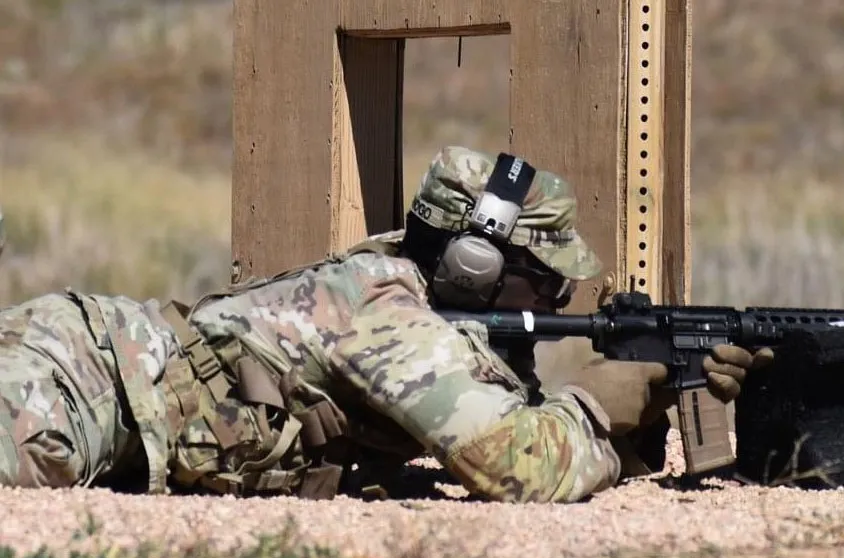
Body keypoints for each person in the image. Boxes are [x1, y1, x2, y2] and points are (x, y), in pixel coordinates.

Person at [0, 146, 771, 503]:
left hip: (103, 390)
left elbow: (529, 437)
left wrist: (648, 406)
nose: (557, 295)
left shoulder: (419, 304)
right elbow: (523, 467)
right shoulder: (386, 313)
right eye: (541, 275)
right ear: (474, 264)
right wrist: (601, 400)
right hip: (74, 383)